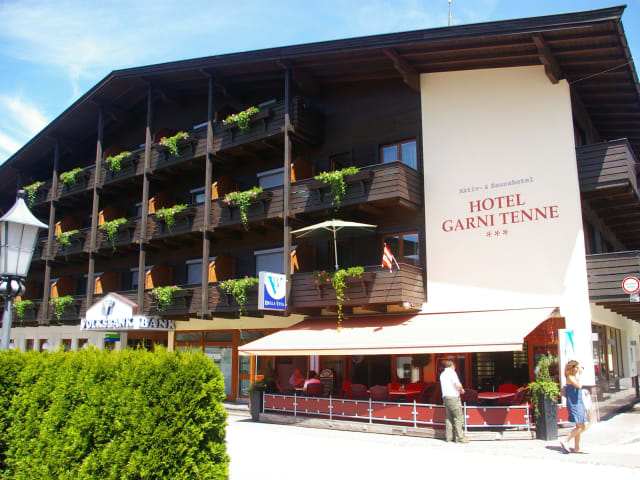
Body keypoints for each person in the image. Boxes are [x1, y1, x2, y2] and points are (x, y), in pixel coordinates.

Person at [560, 360, 588, 454]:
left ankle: (577, 448)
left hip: (578, 402)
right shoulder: (570, 377)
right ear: (572, 368)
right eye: (577, 367)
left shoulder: (574, 377)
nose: (578, 369)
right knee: (582, 426)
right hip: (574, 404)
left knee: (579, 425)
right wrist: (579, 375)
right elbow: (579, 386)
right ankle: (566, 441)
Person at [439, 359, 469, 443]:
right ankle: (460, 438)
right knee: (458, 417)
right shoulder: (452, 373)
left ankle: (449, 437)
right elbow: (457, 384)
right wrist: (461, 390)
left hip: (446, 398)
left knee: (448, 417)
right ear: (453, 366)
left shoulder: (442, 374)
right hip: (453, 397)